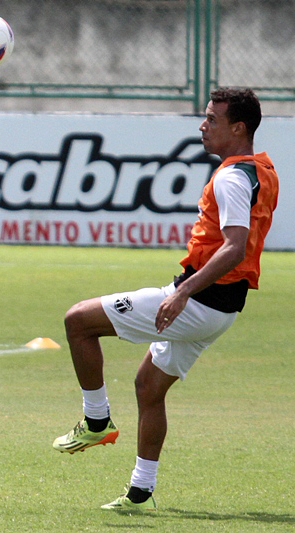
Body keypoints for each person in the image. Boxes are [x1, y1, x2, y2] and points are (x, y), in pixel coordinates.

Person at [51, 88, 278, 510]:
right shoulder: (261, 170)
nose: (203, 125)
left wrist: (182, 294)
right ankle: (141, 491)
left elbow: (234, 247)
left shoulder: (230, 177)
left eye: (212, 119)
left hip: (198, 301)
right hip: (223, 309)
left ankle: (96, 420)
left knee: (78, 321)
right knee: (148, 387)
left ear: (238, 128)